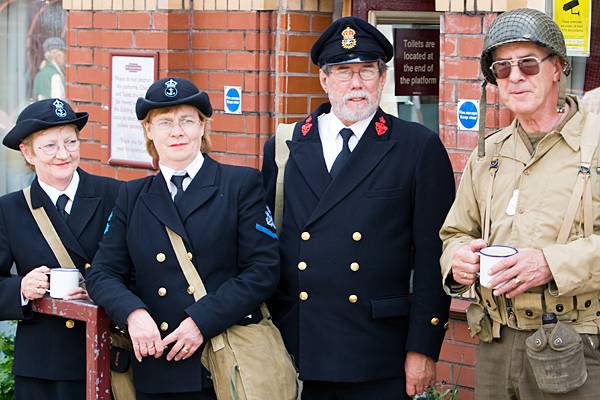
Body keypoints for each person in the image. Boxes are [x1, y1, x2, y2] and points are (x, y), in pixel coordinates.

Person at [262, 16, 455, 399]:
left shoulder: (416, 147)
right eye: (344, 71)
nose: (356, 84)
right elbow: (268, 246)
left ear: (382, 79)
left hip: (378, 351)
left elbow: (435, 255)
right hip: (300, 345)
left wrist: (422, 348)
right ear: (324, 80)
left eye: (367, 71)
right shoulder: (285, 147)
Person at [86, 77, 280, 400]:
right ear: (149, 130)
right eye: (164, 122)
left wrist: (201, 321)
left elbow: (263, 270)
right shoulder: (132, 196)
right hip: (158, 368)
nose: (177, 131)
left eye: (187, 120)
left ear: (202, 126)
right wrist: (133, 313)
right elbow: (102, 273)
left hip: (221, 366)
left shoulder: (240, 185)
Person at [440, 8, 600, 399]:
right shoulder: (488, 152)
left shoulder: (594, 146)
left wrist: (550, 263)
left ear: (557, 68)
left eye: (528, 64)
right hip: (496, 343)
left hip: (575, 344)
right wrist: (457, 259)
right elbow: (456, 231)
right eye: (502, 68)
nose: (515, 77)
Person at [0, 98, 121, 399]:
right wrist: (21, 288)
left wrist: (101, 289)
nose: (63, 154)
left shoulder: (115, 194)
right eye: (50, 145)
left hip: (108, 354)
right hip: (43, 366)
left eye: (70, 141)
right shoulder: (10, 209)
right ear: (27, 153)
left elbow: (140, 267)